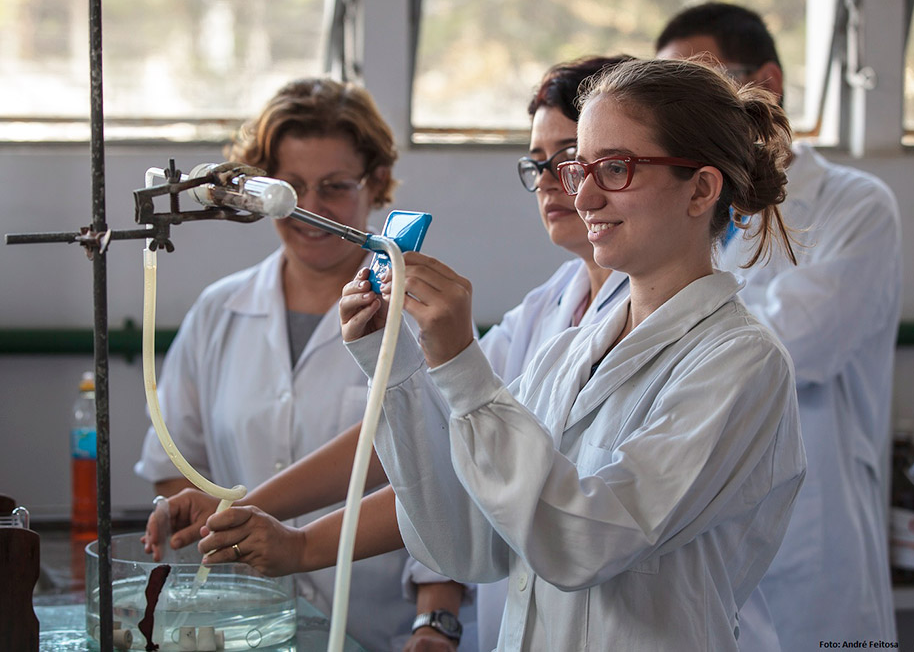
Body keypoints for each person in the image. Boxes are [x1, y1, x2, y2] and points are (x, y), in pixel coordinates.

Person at [147, 56, 633, 652]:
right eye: (541, 164)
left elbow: (457, 466)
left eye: (575, 159)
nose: (559, 181)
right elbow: (411, 438)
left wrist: (432, 614)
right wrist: (248, 513)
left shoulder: (699, 341)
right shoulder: (546, 308)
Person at [338, 57, 806, 650]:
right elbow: (469, 545)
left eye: (615, 168)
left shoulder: (742, 363)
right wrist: (400, 366)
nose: (581, 194)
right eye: (577, 168)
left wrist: (462, 366)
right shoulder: (569, 351)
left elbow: (581, 543)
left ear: (702, 189)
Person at [133, 78, 419, 651]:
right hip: (246, 623)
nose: (309, 210)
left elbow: (433, 475)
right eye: (290, 187)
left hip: (376, 624)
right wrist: (203, 523)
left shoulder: (415, 312)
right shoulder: (219, 310)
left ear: (377, 184)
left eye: (334, 187)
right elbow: (173, 462)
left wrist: (436, 622)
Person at [656, 4, 902, 649]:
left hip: (815, 534)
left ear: (768, 80)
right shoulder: (689, 209)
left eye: (701, 82)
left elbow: (794, 345)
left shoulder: (855, 204)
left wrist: (668, 328)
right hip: (700, 529)